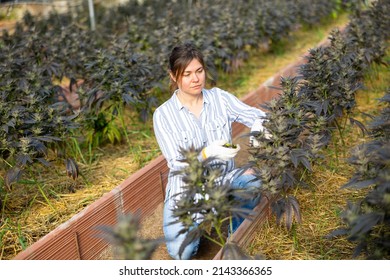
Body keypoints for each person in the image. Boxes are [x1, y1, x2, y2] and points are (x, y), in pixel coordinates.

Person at [152, 42, 267, 260]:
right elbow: (177, 164)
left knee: (252, 183)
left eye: (199, 71)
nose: (195, 79)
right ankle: (196, 231)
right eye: (187, 74)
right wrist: (206, 154)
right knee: (181, 253)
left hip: (224, 178)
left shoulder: (219, 99)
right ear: (173, 76)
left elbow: (255, 115)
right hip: (187, 190)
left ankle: (236, 237)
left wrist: (260, 124)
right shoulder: (163, 115)